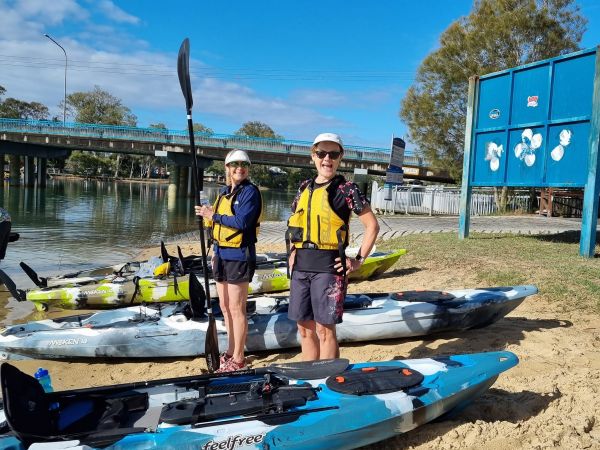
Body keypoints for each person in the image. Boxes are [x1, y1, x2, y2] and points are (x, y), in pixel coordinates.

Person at [287, 132, 380, 361]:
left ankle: (328, 379)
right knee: (304, 329)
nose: (327, 159)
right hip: (301, 266)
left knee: (324, 331)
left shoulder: (347, 189)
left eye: (333, 154)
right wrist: (292, 252)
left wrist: (358, 259)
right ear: (313, 156)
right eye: (321, 153)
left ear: (340, 157)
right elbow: (294, 224)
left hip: (329, 267)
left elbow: (372, 226)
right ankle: (310, 376)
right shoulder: (303, 188)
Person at [195, 149, 262, 372]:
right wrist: (208, 219)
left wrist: (212, 215)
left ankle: (239, 358)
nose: (239, 168)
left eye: (243, 164)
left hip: (239, 256)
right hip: (221, 253)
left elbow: (242, 222)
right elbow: (217, 223)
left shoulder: (249, 192)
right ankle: (231, 351)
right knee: (224, 306)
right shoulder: (224, 192)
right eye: (234, 164)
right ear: (227, 168)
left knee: (236, 308)